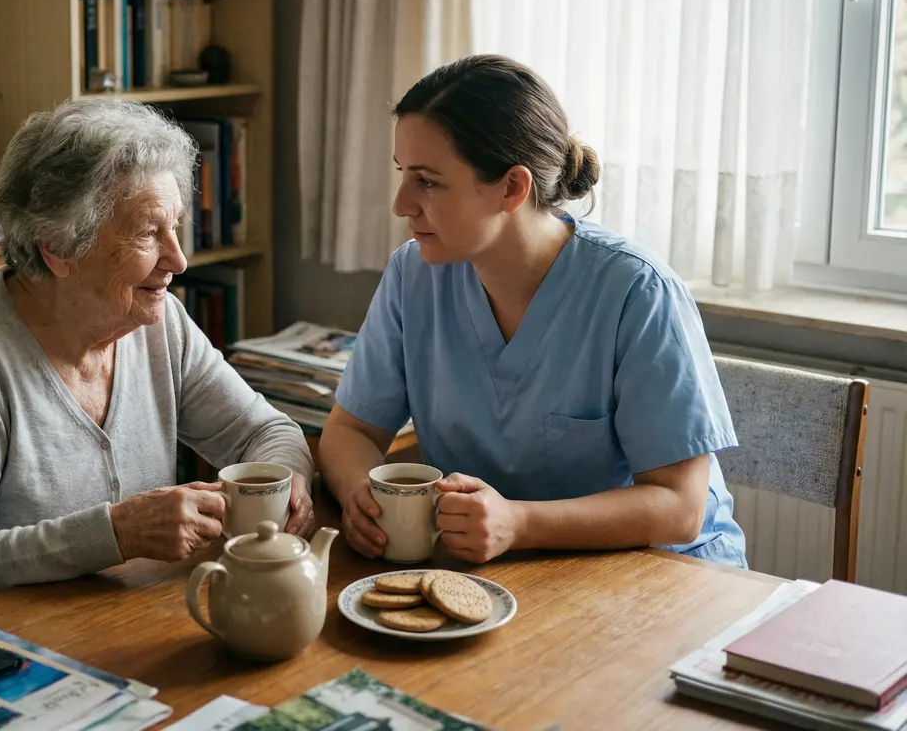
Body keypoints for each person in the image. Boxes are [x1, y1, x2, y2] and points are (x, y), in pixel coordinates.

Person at [0, 97, 315, 634]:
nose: (179, 259)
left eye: (176, 227)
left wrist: (287, 484)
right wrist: (117, 533)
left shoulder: (158, 321)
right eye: (149, 232)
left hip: (100, 627)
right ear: (58, 246)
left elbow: (267, 432)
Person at [318, 55, 747, 569]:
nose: (401, 203)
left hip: (662, 575)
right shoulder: (413, 275)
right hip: (506, 570)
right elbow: (352, 432)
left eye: (428, 180)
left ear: (512, 188)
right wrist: (361, 496)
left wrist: (519, 522)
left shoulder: (637, 291)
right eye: (403, 173)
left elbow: (679, 507)